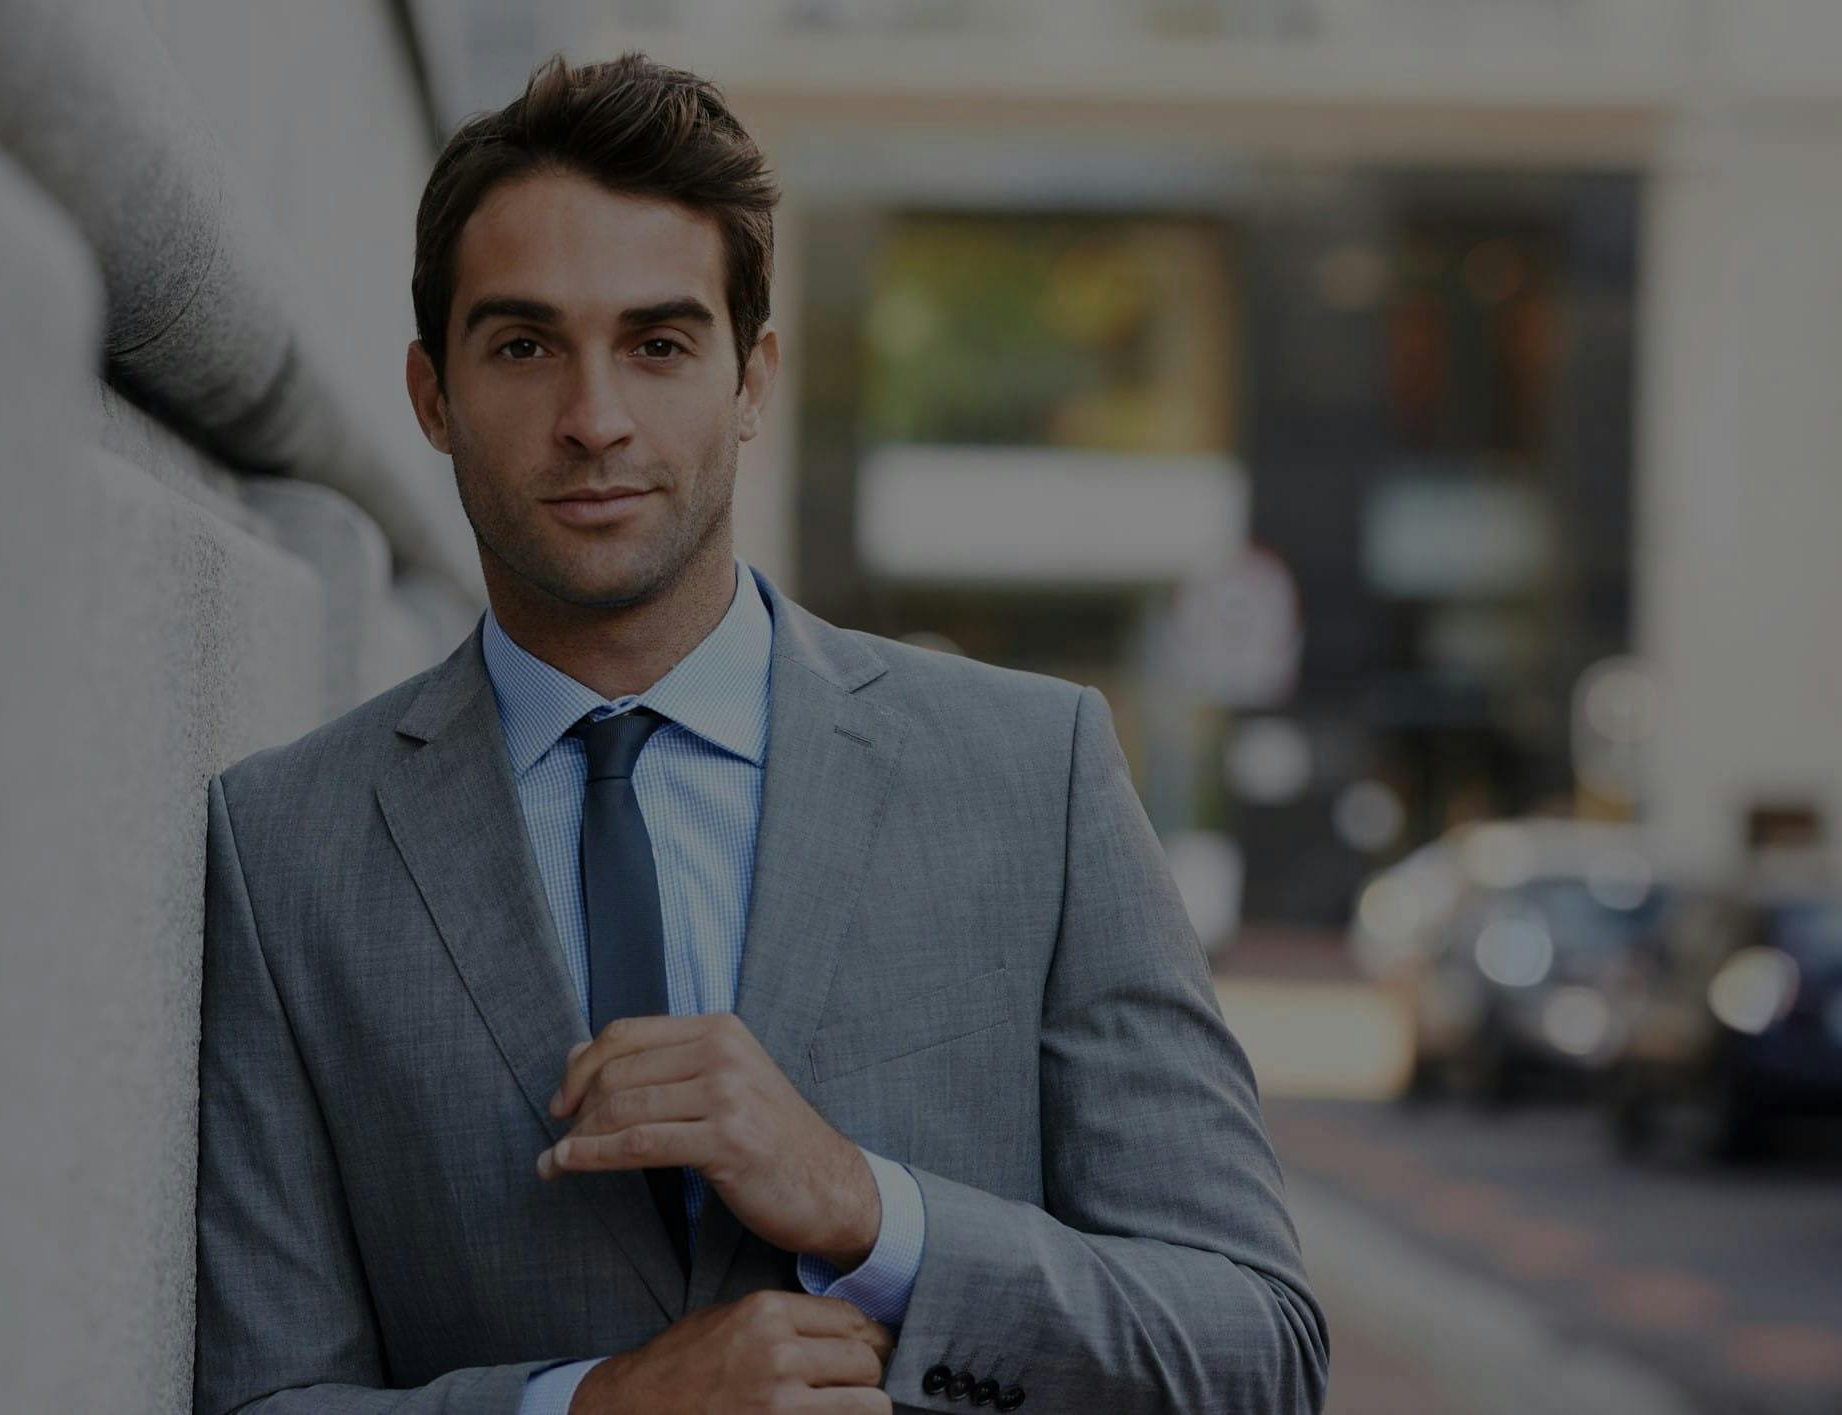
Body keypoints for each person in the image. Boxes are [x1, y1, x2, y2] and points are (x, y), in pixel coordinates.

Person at [194, 51, 1328, 1415]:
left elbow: (1256, 1349)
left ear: (752, 381)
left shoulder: (1037, 777)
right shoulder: (283, 850)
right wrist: (595, 1407)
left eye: (659, 344)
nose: (594, 418)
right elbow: (262, 1403)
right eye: (525, 345)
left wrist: (871, 1212)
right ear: (432, 396)